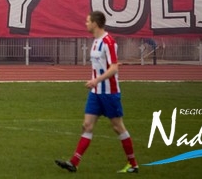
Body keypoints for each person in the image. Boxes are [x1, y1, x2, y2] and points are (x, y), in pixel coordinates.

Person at [55, 11, 139, 174]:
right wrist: (95, 83)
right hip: (95, 93)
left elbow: (114, 68)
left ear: (95, 23)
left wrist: (96, 80)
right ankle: (74, 163)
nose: (86, 24)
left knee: (117, 127)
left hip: (109, 93)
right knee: (87, 125)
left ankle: (133, 164)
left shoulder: (108, 42)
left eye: (88, 21)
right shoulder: (95, 42)